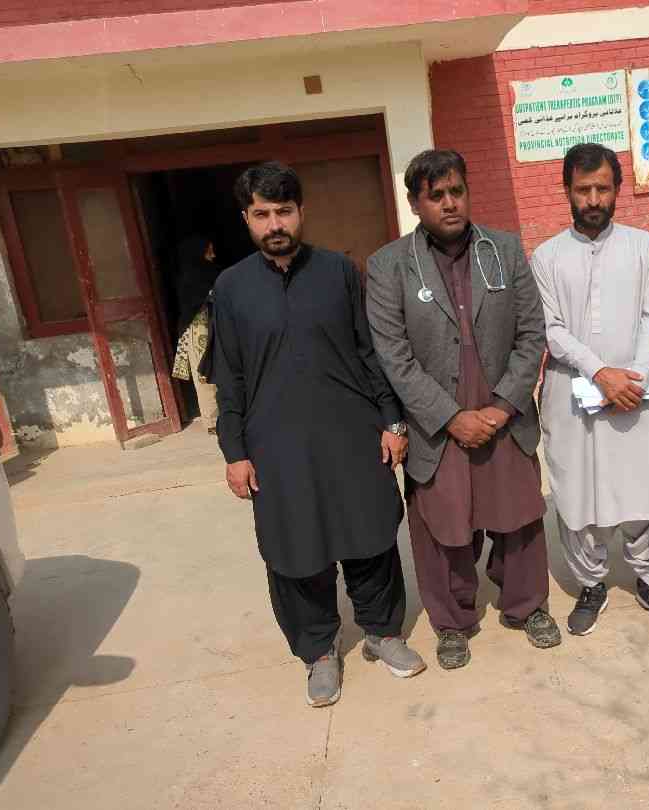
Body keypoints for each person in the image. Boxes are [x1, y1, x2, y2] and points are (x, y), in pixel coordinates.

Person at [209, 162, 425, 708]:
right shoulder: (231, 288)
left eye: (284, 211)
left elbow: (370, 352)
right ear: (246, 219)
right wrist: (235, 452)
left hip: (351, 433)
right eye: (262, 214)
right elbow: (229, 379)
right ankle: (319, 652)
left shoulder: (338, 272)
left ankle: (382, 633)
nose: (275, 224)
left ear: (300, 212)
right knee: (295, 547)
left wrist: (392, 421)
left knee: (370, 534)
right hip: (275, 445)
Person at [366, 149, 561, 670]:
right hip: (437, 423)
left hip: (503, 416)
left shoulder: (505, 249)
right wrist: (451, 417)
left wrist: (501, 408)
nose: (450, 203)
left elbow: (532, 333)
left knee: (519, 517)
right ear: (415, 203)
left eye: (457, 191)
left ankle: (527, 606)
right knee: (442, 525)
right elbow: (394, 356)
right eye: (436, 195)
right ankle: (453, 622)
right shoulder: (389, 266)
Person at [531, 143, 649, 636]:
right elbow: (552, 329)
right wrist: (602, 373)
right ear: (567, 191)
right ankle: (591, 584)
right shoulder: (547, 256)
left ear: (618, 189)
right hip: (573, 390)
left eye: (602, 188)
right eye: (583, 190)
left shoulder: (644, 247)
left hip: (639, 390)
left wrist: (632, 378)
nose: (593, 199)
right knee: (579, 490)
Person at [171, 234, 220, 433]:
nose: (213, 255)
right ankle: (212, 421)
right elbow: (198, 300)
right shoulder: (190, 278)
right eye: (209, 251)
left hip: (213, 327)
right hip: (197, 329)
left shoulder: (211, 273)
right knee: (204, 375)